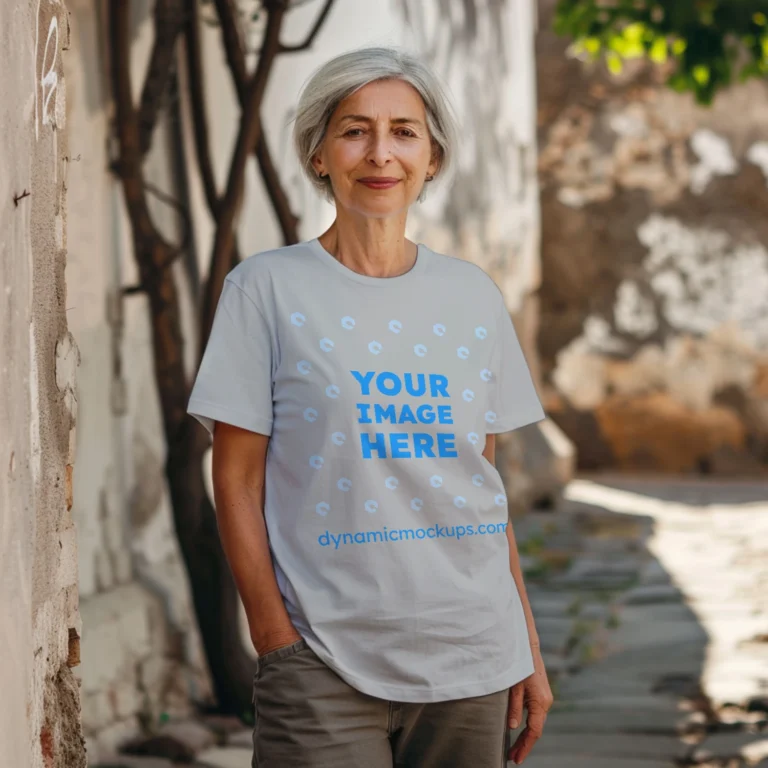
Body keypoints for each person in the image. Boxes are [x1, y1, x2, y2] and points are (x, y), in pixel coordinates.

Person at [187, 45, 552, 768]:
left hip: (472, 655)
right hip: (321, 658)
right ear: (319, 153)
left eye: (404, 132)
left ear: (432, 157)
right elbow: (235, 480)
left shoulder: (472, 296)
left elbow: (481, 489)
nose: (380, 153)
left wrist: (528, 649)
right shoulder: (264, 290)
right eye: (355, 130)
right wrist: (275, 639)